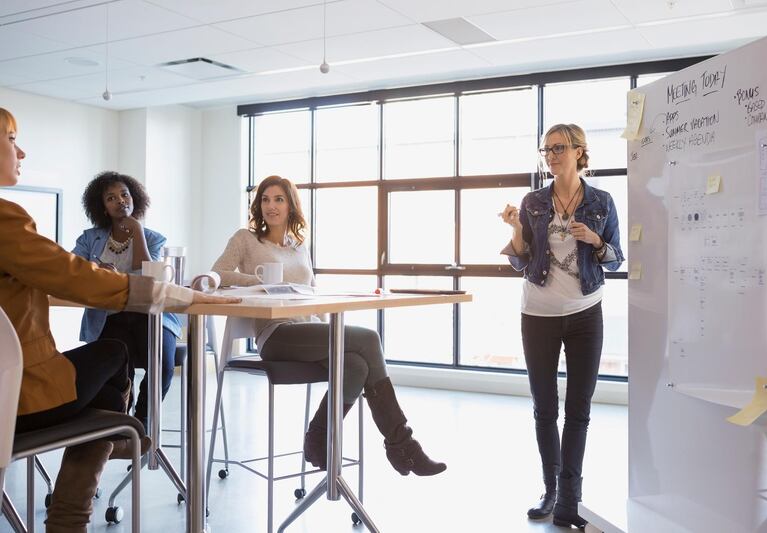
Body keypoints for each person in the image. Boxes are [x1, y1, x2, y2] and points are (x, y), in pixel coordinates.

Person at [0, 107, 240, 533]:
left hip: (22, 388)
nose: (22, 151)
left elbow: (70, 273)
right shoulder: (6, 221)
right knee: (113, 353)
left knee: (117, 354)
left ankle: (122, 438)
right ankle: (89, 491)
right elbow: (73, 274)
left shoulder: (148, 233)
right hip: (18, 399)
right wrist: (174, 294)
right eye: (12, 138)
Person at [211, 174, 445, 477]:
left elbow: (311, 295)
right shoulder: (245, 239)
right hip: (277, 335)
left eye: (279, 199)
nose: (271, 206)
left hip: (307, 330)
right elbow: (218, 273)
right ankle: (403, 445)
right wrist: (259, 282)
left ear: (291, 205)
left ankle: (317, 437)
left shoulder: (299, 247)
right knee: (369, 338)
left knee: (356, 366)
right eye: (265, 200)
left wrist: (330, 331)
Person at [500, 124, 623, 528]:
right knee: (544, 408)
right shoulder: (533, 201)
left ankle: (571, 497)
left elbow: (615, 257)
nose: (551, 155)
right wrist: (518, 231)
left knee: (579, 409)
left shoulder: (602, 201)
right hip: (538, 313)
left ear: (579, 152)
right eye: (546, 149)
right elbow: (521, 260)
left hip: (587, 311)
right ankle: (550, 488)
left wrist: (596, 241)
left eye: (559, 148)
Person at [72, 171, 181, 425]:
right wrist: (96, 270)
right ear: (103, 208)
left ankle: (142, 422)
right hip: (110, 315)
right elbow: (72, 267)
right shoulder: (90, 238)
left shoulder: (154, 238)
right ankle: (121, 423)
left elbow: (147, 273)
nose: (120, 201)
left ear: (135, 198)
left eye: (124, 194)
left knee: (163, 365)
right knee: (117, 365)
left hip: (151, 314)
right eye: (111, 198)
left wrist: (137, 231)